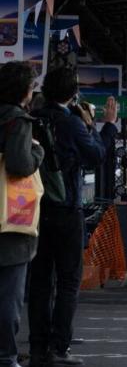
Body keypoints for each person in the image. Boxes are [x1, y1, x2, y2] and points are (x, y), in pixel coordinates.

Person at [28, 67, 118, 367]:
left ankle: (38, 348)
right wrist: (105, 126)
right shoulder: (71, 123)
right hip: (66, 211)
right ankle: (59, 346)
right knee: (68, 280)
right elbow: (96, 156)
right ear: (73, 93)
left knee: (40, 281)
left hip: (36, 211)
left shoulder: (35, 118)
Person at [0, 62, 45, 367]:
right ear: (26, 92)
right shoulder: (17, 121)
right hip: (10, 225)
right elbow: (18, 165)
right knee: (8, 297)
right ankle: (5, 356)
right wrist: (37, 151)